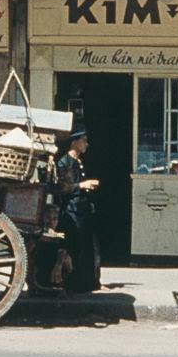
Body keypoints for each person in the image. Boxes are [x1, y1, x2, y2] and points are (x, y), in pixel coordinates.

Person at [56, 125, 101, 293]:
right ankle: (75, 283)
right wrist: (82, 185)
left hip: (83, 208)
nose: (86, 144)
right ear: (74, 142)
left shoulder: (78, 161)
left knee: (88, 245)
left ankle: (90, 281)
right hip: (72, 210)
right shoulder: (64, 162)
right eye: (84, 141)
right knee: (77, 246)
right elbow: (62, 187)